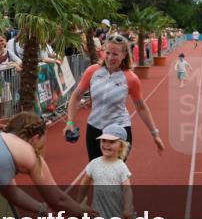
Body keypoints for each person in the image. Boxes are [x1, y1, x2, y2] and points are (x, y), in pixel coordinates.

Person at [65, 33, 165, 161]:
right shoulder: (92, 71)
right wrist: (70, 122)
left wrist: (155, 134)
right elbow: (76, 96)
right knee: (97, 172)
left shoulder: (131, 78)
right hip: (94, 129)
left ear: (124, 55)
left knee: (116, 174)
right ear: (103, 52)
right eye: (108, 53)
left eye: (115, 54)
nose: (110, 57)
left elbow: (141, 108)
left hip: (119, 130)